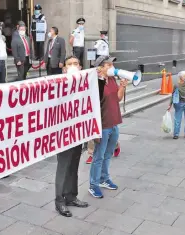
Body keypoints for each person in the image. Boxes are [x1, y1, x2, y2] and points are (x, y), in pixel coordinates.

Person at [55, 56, 89, 217]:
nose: (73, 66)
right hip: (63, 135)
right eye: (70, 64)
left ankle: (71, 196)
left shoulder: (85, 85)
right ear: (64, 68)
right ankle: (59, 200)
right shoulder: (57, 85)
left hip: (78, 132)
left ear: (81, 67)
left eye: (76, 64)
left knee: (74, 166)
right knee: (63, 167)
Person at [88, 56, 126, 198]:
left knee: (108, 154)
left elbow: (117, 98)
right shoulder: (96, 83)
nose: (112, 67)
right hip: (103, 125)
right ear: (100, 68)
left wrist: (122, 86)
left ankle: (104, 178)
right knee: (98, 156)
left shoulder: (112, 79)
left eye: (112, 64)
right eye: (108, 65)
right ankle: (94, 184)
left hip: (114, 122)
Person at [167, 71, 185, 140]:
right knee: (177, 119)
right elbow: (173, 95)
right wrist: (170, 105)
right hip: (179, 104)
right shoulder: (176, 85)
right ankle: (176, 134)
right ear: (180, 77)